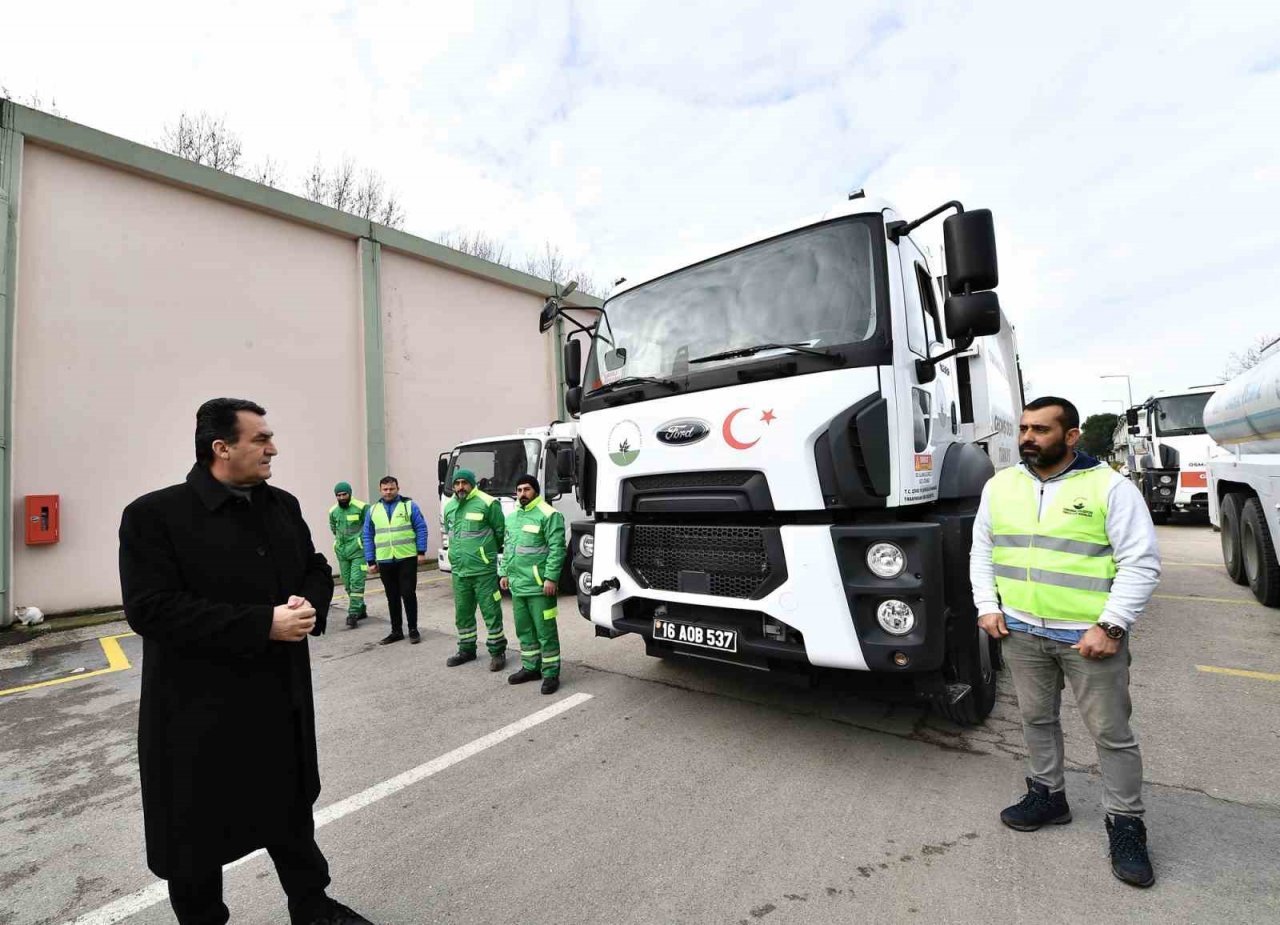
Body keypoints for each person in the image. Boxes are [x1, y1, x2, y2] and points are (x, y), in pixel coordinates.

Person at [118, 398, 371, 925]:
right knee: (194, 834)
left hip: (279, 699)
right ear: (221, 447)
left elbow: (315, 568)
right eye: (260, 439)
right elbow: (151, 609)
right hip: (197, 713)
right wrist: (263, 624)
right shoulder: (154, 516)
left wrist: (308, 601)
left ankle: (312, 904)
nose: (272, 447)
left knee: (290, 811)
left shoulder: (282, 506)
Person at [970, 395, 1161, 888]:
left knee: (1111, 736)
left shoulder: (1109, 487)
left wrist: (1112, 625)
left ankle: (1126, 825)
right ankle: (1048, 796)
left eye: (1041, 430)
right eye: (1025, 429)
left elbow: (1140, 563)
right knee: (1036, 719)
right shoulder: (1001, 486)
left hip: (1088, 639)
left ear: (1071, 436)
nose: (1028, 439)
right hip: (1021, 632)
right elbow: (983, 550)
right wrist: (987, 606)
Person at [499, 474, 566, 695]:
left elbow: (557, 549)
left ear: (535, 491)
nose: (522, 494)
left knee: (545, 631)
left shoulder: (549, 514)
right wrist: (504, 572)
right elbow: (508, 547)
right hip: (519, 585)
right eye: (519, 490)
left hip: (540, 586)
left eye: (526, 489)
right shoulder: (513, 517)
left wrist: (551, 578)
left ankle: (550, 673)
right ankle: (530, 667)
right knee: (524, 629)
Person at [441, 468, 508, 670]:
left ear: (472, 483)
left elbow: (500, 533)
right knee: (463, 613)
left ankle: (497, 652)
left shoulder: (488, 503)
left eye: (464, 483)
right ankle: (466, 649)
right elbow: (450, 533)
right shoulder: (450, 506)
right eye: (457, 483)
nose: (461, 487)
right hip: (459, 571)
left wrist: (483, 554)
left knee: (491, 612)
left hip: (483, 571)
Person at [363, 476, 428, 645]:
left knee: (408, 594)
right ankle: (396, 631)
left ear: (397, 488)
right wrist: (370, 560)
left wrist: (421, 552)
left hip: (406, 557)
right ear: (380, 490)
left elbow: (421, 528)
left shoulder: (409, 505)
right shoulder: (373, 510)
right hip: (385, 560)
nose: (388, 492)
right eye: (385, 489)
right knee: (392, 597)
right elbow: (368, 536)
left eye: (391, 488)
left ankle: (413, 629)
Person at [329, 482, 369, 629]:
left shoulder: (362, 507)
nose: (341, 497)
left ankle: (353, 614)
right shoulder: (333, 511)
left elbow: (369, 528)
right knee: (347, 584)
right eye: (338, 495)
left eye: (344, 494)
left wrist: (362, 544)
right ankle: (361, 608)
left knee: (356, 581)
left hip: (359, 552)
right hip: (342, 553)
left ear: (350, 493)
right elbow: (334, 528)